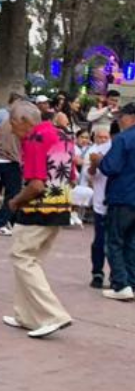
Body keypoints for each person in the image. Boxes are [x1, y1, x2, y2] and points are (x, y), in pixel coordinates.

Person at [1, 100, 75, 337]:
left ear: (23, 121)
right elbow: (71, 175)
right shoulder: (62, 136)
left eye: (13, 124)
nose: (13, 130)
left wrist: (15, 201)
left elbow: (35, 184)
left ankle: (53, 315)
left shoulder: (34, 139)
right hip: (60, 205)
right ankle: (26, 315)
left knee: (22, 258)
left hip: (37, 210)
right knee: (32, 261)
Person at [97, 103, 135, 300]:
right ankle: (131, 282)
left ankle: (121, 283)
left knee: (115, 241)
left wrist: (99, 161)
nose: (119, 121)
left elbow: (110, 166)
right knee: (131, 242)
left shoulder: (123, 139)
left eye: (121, 117)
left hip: (122, 196)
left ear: (130, 117)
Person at [82, 122, 114, 290]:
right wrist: (96, 163)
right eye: (100, 137)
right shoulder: (95, 151)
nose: (103, 140)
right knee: (100, 241)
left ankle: (116, 274)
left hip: (118, 204)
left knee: (117, 241)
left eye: (106, 137)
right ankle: (97, 273)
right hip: (101, 202)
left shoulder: (121, 150)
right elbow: (90, 175)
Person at [0, 102, 25, 234]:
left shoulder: (2, 125)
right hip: (10, 161)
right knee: (13, 194)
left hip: (1, 161)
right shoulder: (16, 126)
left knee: (13, 192)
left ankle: (12, 221)